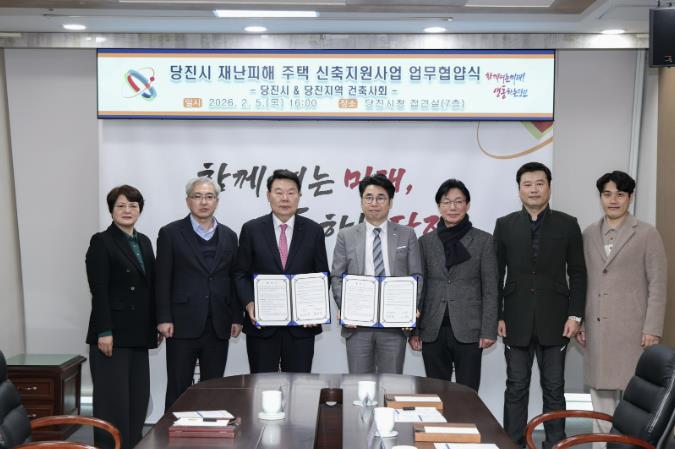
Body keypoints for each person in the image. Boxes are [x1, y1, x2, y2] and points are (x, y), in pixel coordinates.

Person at [493, 162, 586, 449]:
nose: (534, 189)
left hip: (556, 320)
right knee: (516, 386)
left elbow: (578, 273)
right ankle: (514, 444)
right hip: (515, 319)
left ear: (549, 187)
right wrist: (497, 315)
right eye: (527, 184)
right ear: (519, 189)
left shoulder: (567, 224)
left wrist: (576, 315)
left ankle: (556, 444)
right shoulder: (505, 225)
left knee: (554, 388)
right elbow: (496, 273)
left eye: (539, 183)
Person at [576, 171, 667, 447]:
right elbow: (581, 282)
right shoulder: (588, 233)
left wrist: (652, 328)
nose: (613, 200)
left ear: (630, 197)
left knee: (636, 403)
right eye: (607, 194)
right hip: (597, 331)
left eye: (620, 194)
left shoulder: (647, 233)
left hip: (634, 333)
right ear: (600, 197)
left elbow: (658, 283)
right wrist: (580, 322)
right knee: (600, 405)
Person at [156, 176, 242, 409]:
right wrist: (163, 318)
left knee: (213, 388)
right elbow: (162, 279)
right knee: (178, 386)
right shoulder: (170, 233)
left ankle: (210, 430)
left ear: (217, 201)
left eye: (209, 196)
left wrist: (236, 317)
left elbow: (233, 278)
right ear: (188, 201)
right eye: (198, 196)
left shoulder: (229, 235)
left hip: (219, 323)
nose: (204, 202)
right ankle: (172, 430)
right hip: (181, 324)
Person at [85, 185, 158, 449]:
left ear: (140, 210)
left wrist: (155, 325)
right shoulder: (102, 241)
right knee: (112, 403)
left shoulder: (144, 241)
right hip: (112, 336)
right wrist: (104, 331)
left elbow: (150, 288)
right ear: (111, 210)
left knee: (137, 400)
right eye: (121, 206)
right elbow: (99, 290)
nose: (127, 210)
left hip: (139, 333)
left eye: (133, 206)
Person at [235, 169, 329, 373]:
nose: (285, 198)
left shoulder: (314, 231)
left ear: (299, 196)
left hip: (301, 328)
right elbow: (240, 274)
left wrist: (314, 307)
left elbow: (322, 275)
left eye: (291, 192)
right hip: (262, 327)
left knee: (300, 386)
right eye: (278, 192)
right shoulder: (251, 229)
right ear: (268, 195)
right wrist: (249, 303)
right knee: (261, 385)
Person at [409, 179, 498, 391]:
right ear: (439, 206)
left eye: (458, 201)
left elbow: (491, 288)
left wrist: (488, 330)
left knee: (468, 393)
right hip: (432, 328)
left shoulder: (484, 241)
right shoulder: (425, 242)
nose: (453, 207)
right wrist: (414, 330)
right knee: (436, 392)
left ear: (467, 205)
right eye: (447, 202)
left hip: (469, 329)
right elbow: (419, 288)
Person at [331, 173, 423, 374]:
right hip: (357, 325)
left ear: (390, 202)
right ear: (362, 202)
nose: (374, 203)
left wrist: (409, 308)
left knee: (391, 383)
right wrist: (345, 307)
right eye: (369, 197)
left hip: (394, 324)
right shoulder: (346, 235)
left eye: (381, 198)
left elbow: (416, 275)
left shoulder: (407, 234)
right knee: (359, 383)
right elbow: (337, 276)